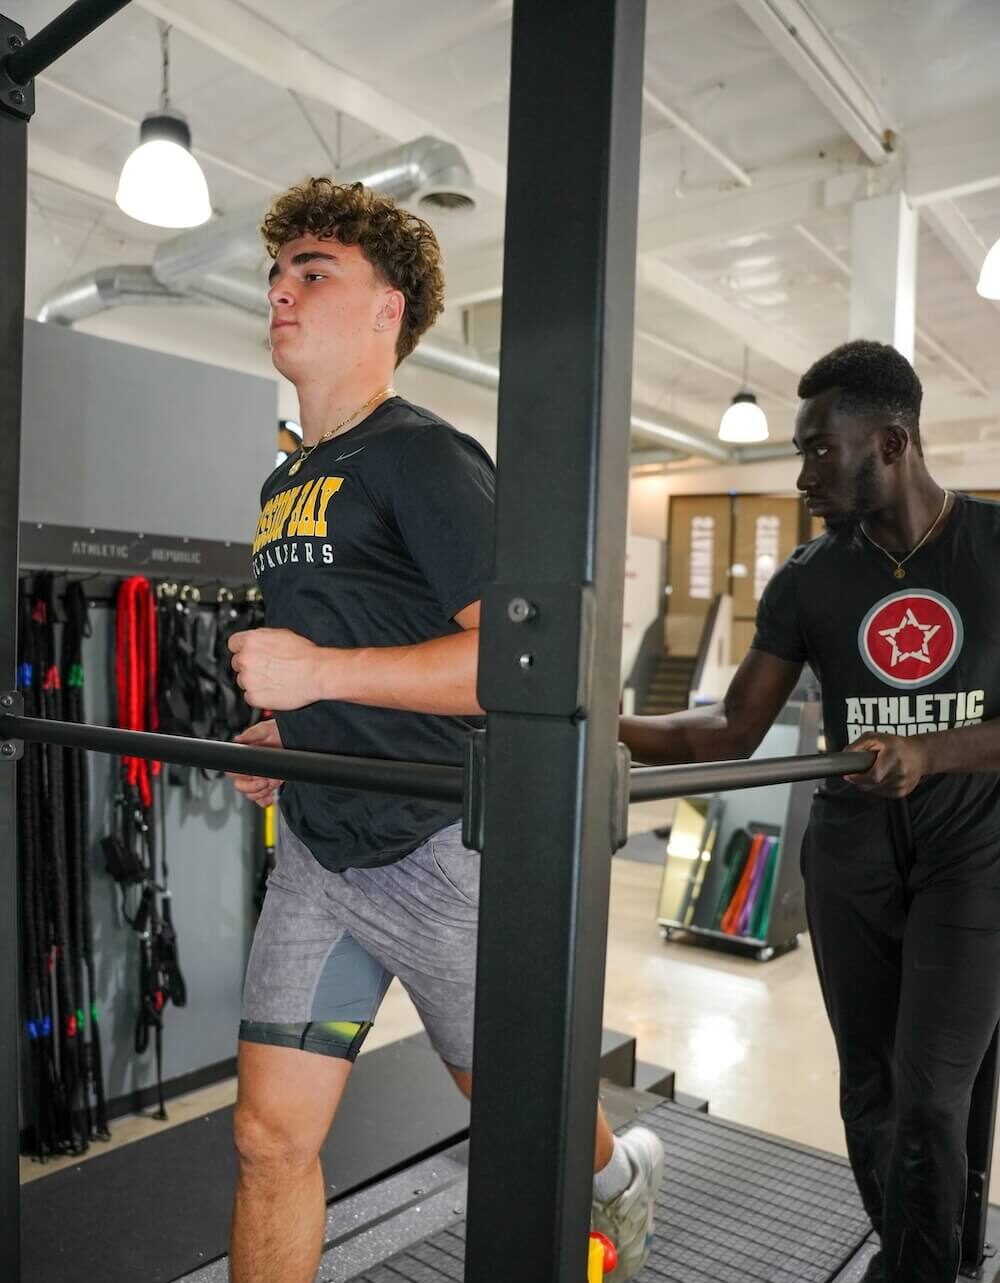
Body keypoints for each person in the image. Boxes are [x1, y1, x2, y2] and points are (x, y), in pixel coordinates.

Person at [224, 177, 663, 1283]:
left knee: (519, 1111)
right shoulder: (288, 479)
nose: (280, 289)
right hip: (321, 850)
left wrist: (316, 668)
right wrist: (302, 727)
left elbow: (519, 667)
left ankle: (617, 1176)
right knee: (269, 1138)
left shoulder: (423, 456)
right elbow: (373, 645)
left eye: (312, 271)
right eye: (277, 271)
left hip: (439, 850)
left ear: (389, 310)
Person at [621, 338, 1000, 1283]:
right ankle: (920, 1250)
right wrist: (602, 723)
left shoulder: (994, 549)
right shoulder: (810, 577)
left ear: (892, 440)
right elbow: (733, 726)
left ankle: (922, 1269)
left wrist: (932, 752)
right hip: (852, 854)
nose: (801, 476)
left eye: (818, 450)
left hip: (975, 853)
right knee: (869, 1091)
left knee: (930, 1095)